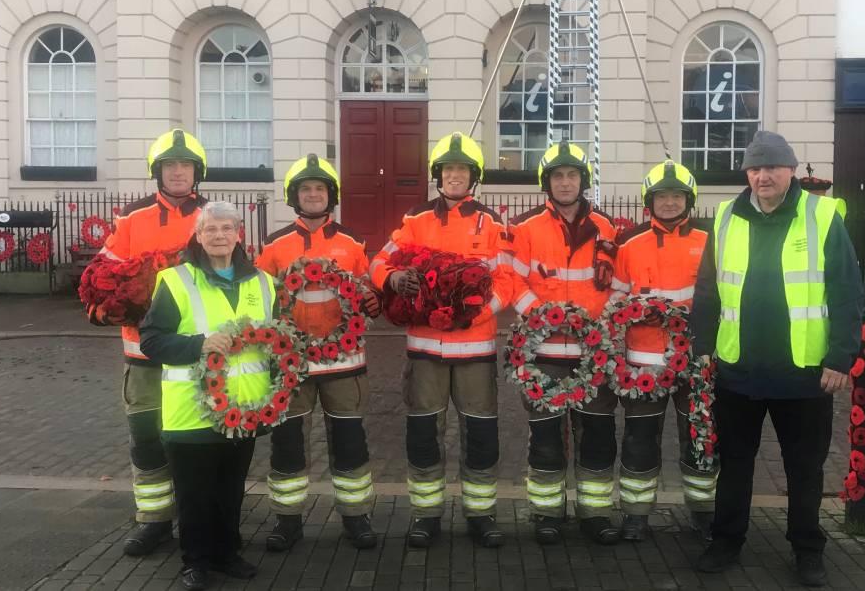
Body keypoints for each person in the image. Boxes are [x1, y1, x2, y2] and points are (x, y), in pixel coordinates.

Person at [690, 130, 863, 587]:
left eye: (772, 168)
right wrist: (702, 345)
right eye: (755, 168)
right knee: (736, 464)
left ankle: (807, 548)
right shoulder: (726, 215)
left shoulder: (822, 216)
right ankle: (726, 540)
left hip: (803, 373)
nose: (763, 176)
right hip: (738, 369)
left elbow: (847, 292)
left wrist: (841, 356)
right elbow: (708, 288)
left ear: (791, 171)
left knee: (804, 468)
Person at [368, 131, 513, 548]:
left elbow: (507, 279)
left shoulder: (492, 224)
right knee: (423, 435)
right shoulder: (416, 222)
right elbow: (378, 262)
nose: (454, 176)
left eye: (462, 169)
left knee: (480, 435)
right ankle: (425, 515)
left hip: (477, 350)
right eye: (448, 169)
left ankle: (481, 515)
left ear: (474, 176)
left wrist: (478, 313)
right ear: (438, 175)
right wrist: (393, 278)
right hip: (425, 350)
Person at [139, 201, 278, 591]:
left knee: (230, 489)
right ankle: (195, 561)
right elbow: (152, 341)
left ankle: (227, 554)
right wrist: (200, 344)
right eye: (210, 229)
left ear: (239, 234)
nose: (219, 236)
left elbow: (278, 344)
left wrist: (278, 391)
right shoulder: (175, 280)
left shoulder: (264, 283)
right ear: (198, 236)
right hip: (191, 412)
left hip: (245, 410)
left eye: (226, 228)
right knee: (194, 494)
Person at [88, 129, 210, 556]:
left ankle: (205, 518)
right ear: (158, 172)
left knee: (199, 441)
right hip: (142, 355)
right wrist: (103, 309)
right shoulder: (131, 220)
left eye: (186, 165)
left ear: (197, 171)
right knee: (146, 438)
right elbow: (103, 274)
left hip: (197, 354)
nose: (178, 172)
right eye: (170, 166)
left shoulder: (214, 217)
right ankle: (154, 521)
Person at [255, 154, 381, 552]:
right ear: (295, 196)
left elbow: (365, 291)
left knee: (349, 441)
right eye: (306, 189)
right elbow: (260, 300)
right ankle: (287, 520)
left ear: (331, 195)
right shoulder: (274, 246)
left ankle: (356, 516)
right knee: (288, 442)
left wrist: (373, 301)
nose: (313, 195)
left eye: (320, 188)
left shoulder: (353, 243)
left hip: (345, 364)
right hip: (292, 364)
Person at [508, 140, 620, 545]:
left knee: (598, 435)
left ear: (583, 180)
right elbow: (510, 280)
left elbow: (618, 287)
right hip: (545, 355)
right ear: (547, 182)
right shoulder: (525, 228)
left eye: (573, 175)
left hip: (594, 355)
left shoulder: (608, 228)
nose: (566, 182)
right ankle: (546, 513)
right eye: (558, 175)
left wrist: (600, 325)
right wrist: (541, 314)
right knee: (547, 437)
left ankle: (595, 514)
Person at [610, 161, 716, 541]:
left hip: (696, 363)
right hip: (643, 364)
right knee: (639, 439)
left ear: (689, 200)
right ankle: (636, 515)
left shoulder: (709, 242)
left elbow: (719, 302)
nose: (669, 203)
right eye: (661, 196)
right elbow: (617, 303)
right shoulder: (630, 246)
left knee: (699, 437)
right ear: (648, 201)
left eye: (676, 196)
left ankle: (703, 514)